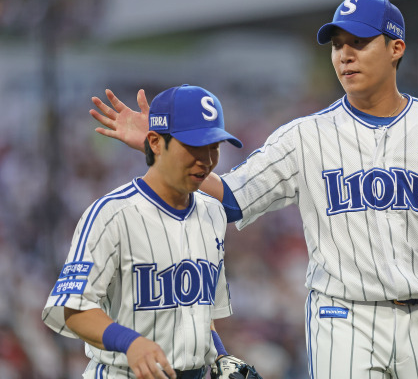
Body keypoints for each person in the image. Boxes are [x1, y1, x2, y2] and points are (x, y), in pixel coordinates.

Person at [89, 0, 418, 379]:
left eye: (360, 43)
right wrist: (163, 149)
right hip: (341, 317)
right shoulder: (304, 136)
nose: (344, 54)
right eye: (337, 45)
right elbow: (231, 198)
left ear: (396, 48)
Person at [43, 84, 260, 379]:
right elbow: (74, 309)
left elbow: (199, 311)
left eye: (214, 147)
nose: (206, 160)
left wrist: (221, 356)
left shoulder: (213, 212)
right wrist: (129, 342)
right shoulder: (112, 214)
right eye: (194, 147)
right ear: (155, 143)